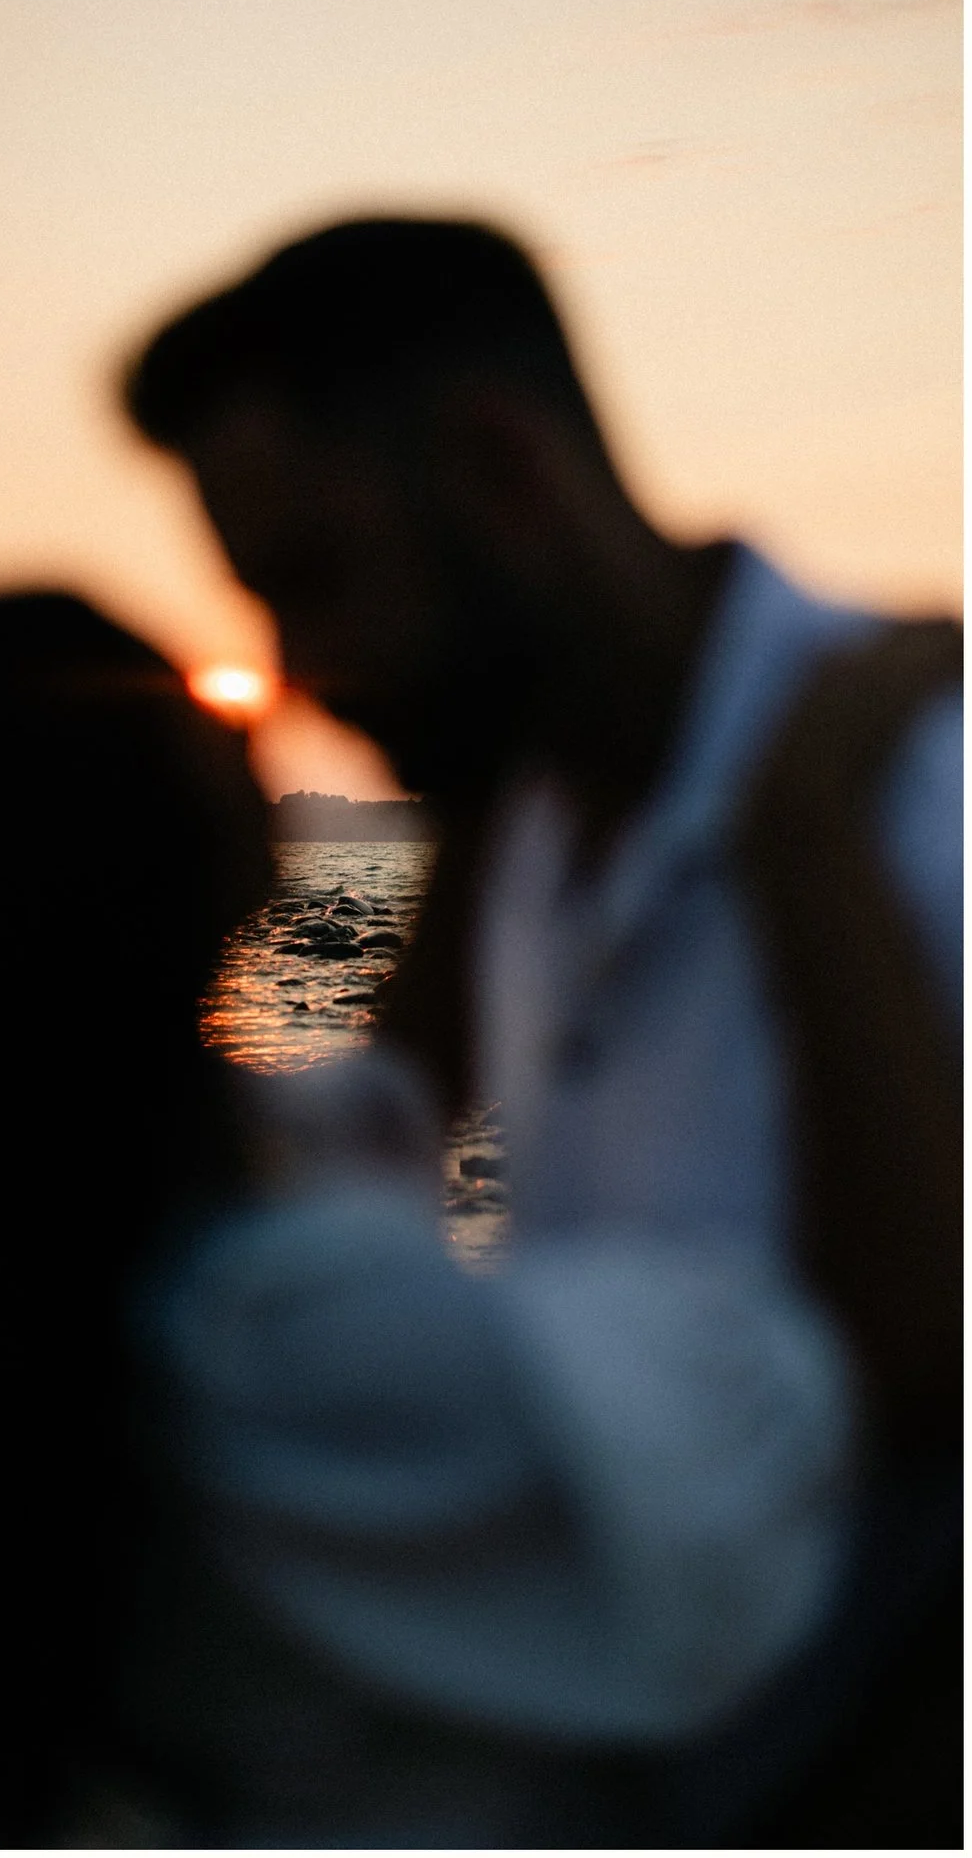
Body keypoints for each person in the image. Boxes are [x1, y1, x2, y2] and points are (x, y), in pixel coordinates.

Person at [122, 216, 960, 1844]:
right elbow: (387, 1133)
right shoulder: (523, 826)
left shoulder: (923, 821)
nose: (294, 669)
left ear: (503, 469)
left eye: (319, 577)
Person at [0, 591, 854, 1845]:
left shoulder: (44, 1245)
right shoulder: (277, 1334)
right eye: (191, 718)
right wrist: (811, 817)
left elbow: (392, 1096)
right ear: (129, 847)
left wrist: (473, 773)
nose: (250, 727)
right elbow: (818, 1399)